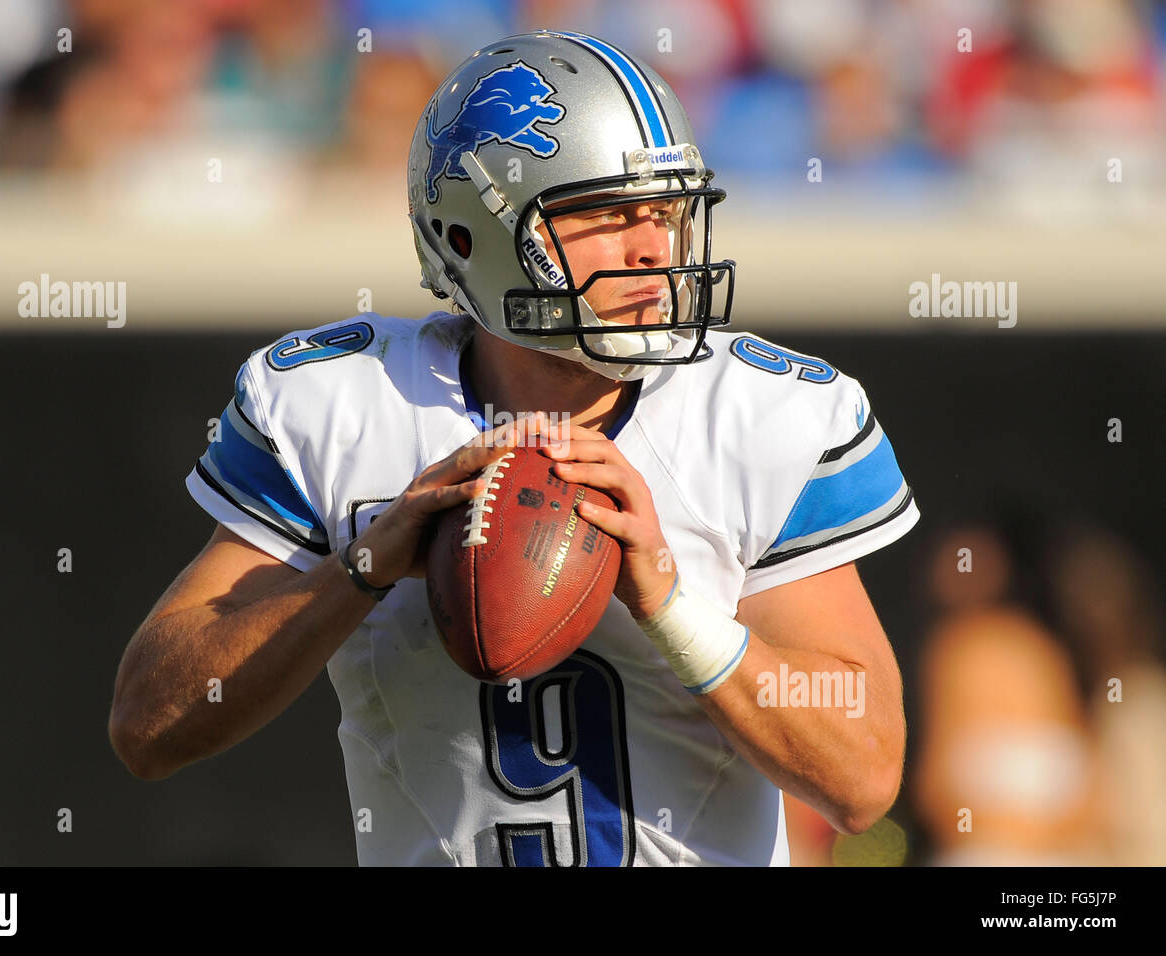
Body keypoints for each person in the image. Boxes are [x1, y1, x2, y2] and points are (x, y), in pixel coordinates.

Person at [108, 30, 919, 866]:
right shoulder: (342, 403)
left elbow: (861, 779)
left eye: (666, 211)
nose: (653, 249)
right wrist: (358, 570)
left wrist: (671, 609)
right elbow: (149, 725)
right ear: (468, 239)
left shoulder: (760, 414)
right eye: (605, 215)